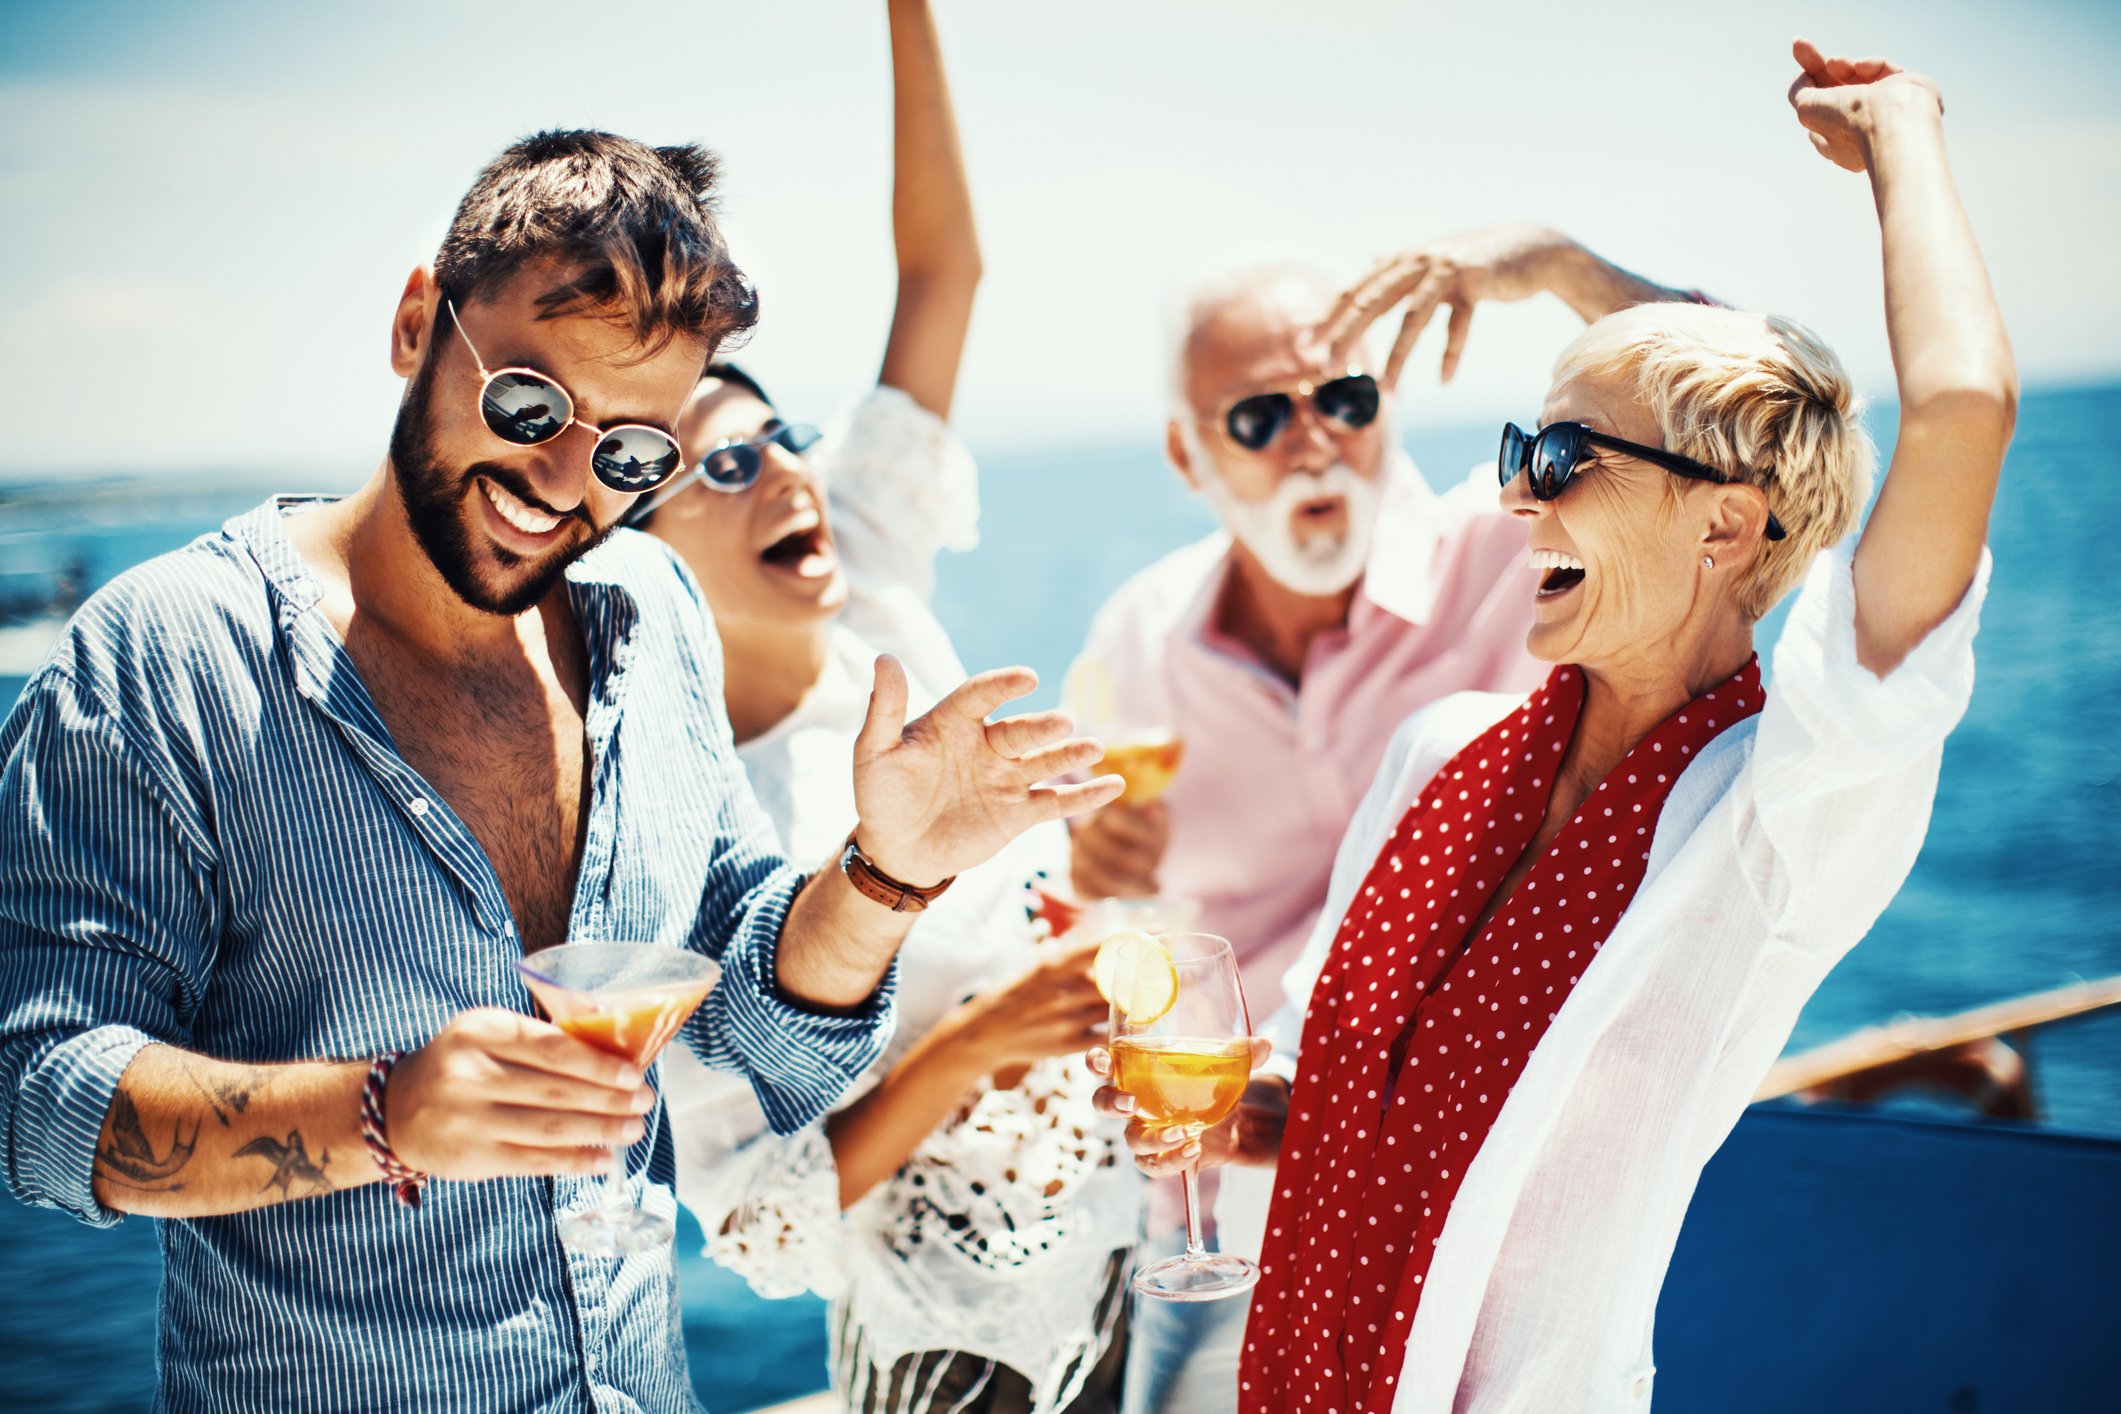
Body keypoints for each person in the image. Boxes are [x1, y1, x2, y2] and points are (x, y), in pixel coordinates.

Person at [0, 129, 1121, 1414]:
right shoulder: (162, 654)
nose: (560, 480)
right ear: (418, 322)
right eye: (530, 405)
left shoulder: (650, 608)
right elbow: (36, 1098)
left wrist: (883, 875)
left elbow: (753, 1021)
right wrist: (381, 1113)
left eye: (632, 455)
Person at [1102, 38, 2015, 1413]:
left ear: (1726, 524)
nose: (1517, 496)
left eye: (1564, 458)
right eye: (1519, 453)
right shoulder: (1439, 755)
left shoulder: (1777, 816)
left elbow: (1958, 409)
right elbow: (1338, 1105)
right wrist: (1233, 1114)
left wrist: (1897, 131)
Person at [1070, 234, 1724, 1410]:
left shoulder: (1523, 549)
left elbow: (1737, 427)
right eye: (1259, 417)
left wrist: (1560, 269)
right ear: (1185, 453)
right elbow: (1115, 927)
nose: (1314, 439)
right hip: (1234, 1188)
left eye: (1347, 398)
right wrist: (1093, 866)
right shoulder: (1139, 637)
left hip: (1487, 1192)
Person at [634, 6, 1135, 1409]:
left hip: (1121, 1238)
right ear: (632, 555)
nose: (789, 473)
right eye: (723, 469)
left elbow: (943, 268)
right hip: (954, 1347)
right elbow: (758, 1219)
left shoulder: (863, 569)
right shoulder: (689, 826)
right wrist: (983, 1041)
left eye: (781, 437)